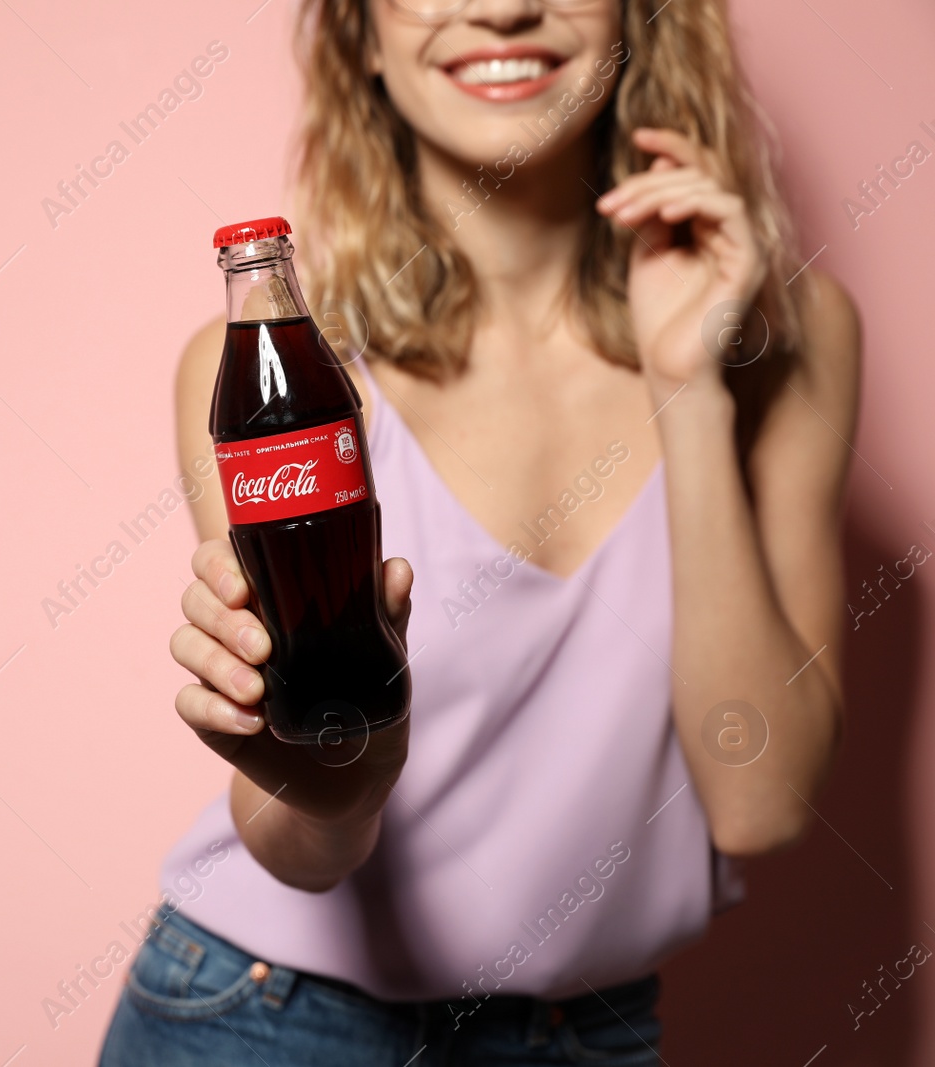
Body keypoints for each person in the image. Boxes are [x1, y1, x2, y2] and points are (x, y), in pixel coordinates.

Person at [99, 0, 859, 1063]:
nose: (499, 4)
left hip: (587, 1036)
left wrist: (688, 385)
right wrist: (331, 780)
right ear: (361, 33)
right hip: (267, 1020)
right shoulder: (283, 382)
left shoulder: (789, 334)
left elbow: (759, 805)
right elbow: (306, 850)